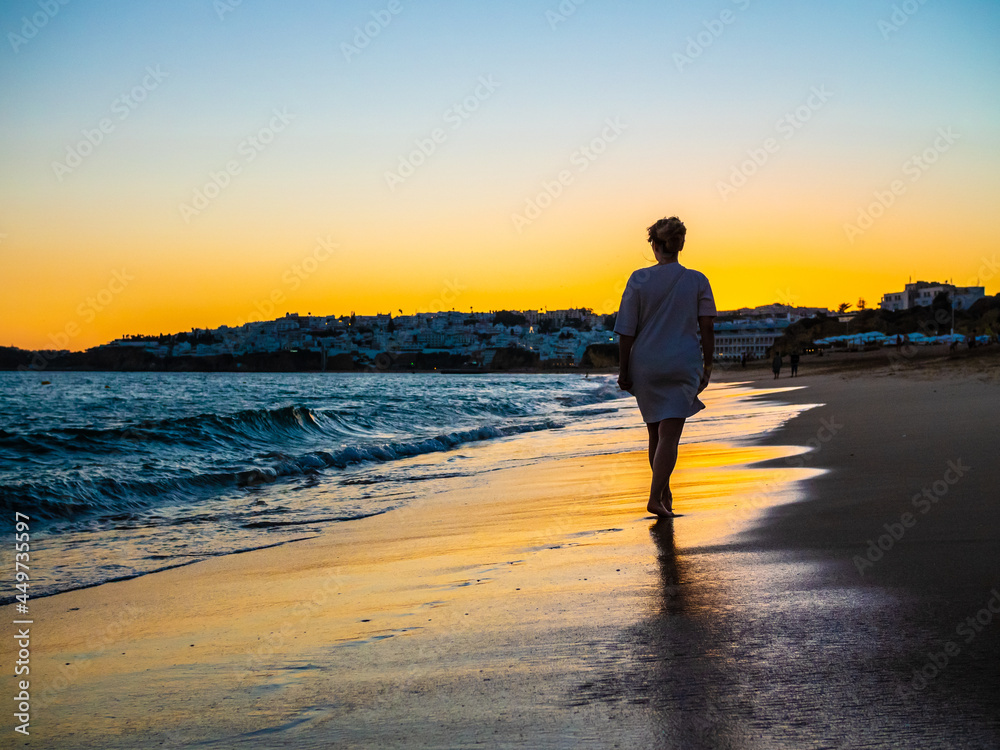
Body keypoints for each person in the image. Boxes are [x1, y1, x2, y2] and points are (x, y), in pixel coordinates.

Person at [615, 216, 716, 519]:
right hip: (682, 363)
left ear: (655, 245)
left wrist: (623, 370)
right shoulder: (697, 279)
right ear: (679, 244)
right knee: (669, 437)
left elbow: (626, 331)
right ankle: (655, 497)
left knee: (655, 435)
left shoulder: (638, 278)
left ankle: (664, 493)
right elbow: (707, 326)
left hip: (645, 364)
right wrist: (707, 366)